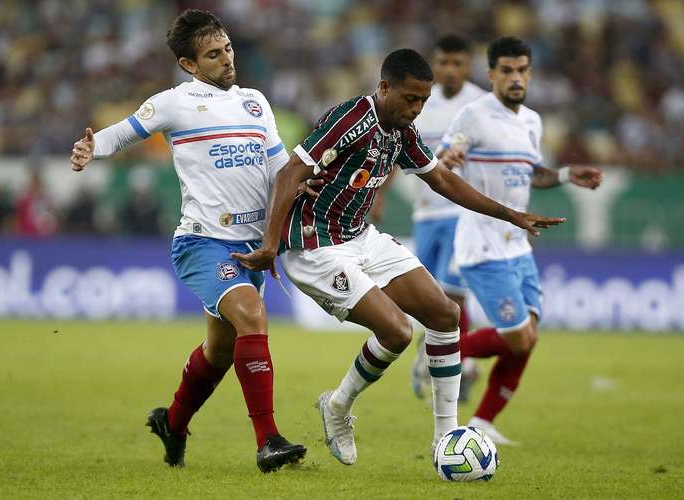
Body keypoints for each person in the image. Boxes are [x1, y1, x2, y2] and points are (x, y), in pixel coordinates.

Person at [233, 48, 564, 464]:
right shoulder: (350, 118)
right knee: (398, 332)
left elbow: (442, 179)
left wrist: (508, 212)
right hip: (314, 247)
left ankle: (447, 438)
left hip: (361, 237)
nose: (417, 108)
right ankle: (337, 407)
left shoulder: (402, 133)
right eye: (410, 98)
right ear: (384, 87)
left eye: (423, 100)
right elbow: (289, 173)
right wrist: (268, 244)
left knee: (445, 316)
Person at [69, 9, 307, 472]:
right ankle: (268, 441)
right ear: (189, 64)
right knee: (253, 318)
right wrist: (90, 147)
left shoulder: (255, 102)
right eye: (213, 55)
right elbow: (122, 133)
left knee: (219, 352)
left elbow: (281, 171)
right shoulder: (175, 103)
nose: (227, 59)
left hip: (253, 247)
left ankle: (172, 423)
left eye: (229, 49)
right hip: (204, 242)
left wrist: (297, 200)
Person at [439, 36, 603, 445]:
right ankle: (443, 354)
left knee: (528, 336)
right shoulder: (473, 115)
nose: (516, 78)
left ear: (530, 73)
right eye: (507, 70)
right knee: (516, 336)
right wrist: (451, 156)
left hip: (519, 244)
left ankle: (481, 423)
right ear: (492, 74)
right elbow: (445, 155)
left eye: (522, 70)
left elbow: (531, 172)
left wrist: (565, 175)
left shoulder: (531, 120)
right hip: (482, 246)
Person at [405, 34, 486, 403]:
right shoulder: (420, 101)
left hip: (461, 213)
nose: (450, 70)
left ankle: (460, 363)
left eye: (458, 63)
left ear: (468, 67)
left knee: (453, 294)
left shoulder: (480, 106)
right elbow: (399, 144)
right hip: (425, 213)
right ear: (434, 65)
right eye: (443, 63)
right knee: (429, 297)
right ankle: (448, 354)